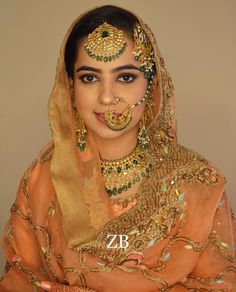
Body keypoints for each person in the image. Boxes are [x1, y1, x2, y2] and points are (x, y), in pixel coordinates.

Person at [0, 5, 235, 292]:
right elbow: (19, 278)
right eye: (90, 78)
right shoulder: (44, 177)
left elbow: (220, 285)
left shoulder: (196, 183)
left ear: (150, 84)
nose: (107, 97)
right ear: (70, 86)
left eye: (125, 77)